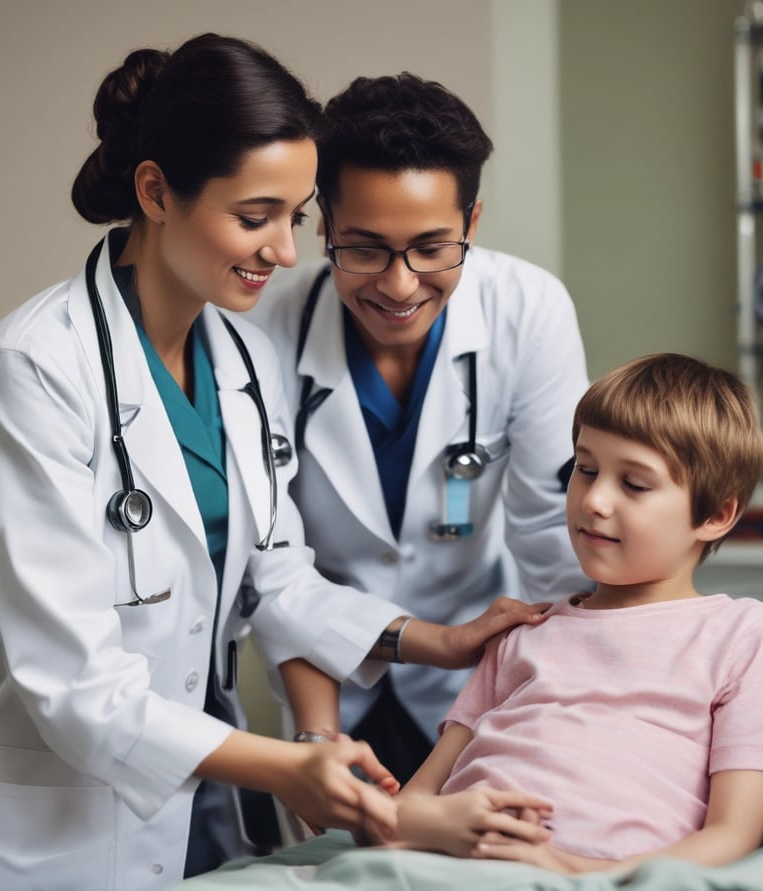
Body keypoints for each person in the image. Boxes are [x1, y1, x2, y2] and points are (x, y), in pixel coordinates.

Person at [0, 35, 545, 891]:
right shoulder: (38, 366)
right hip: (73, 823)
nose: (286, 254)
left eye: (294, 219)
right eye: (255, 217)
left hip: (209, 806)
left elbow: (278, 579)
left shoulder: (242, 357)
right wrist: (292, 766)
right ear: (155, 190)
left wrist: (439, 640)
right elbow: (73, 686)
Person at [250, 72, 591, 782]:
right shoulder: (260, 329)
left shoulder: (528, 311)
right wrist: (317, 743)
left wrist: (574, 705)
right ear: (323, 229)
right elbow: (271, 564)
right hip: (328, 676)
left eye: (432, 247)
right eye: (365, 248)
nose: (400, 286)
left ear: (471, 224)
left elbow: (556, 540)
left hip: (482, 677)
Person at [386, 353, 763, 873]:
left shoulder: (741, 637)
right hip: (454, 865)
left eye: (633, 484)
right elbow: (409, 806)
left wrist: (570, 870)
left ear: (716, 514)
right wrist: (441, 826)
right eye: (585, 470)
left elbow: (734, 834)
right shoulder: (525, 631)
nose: (595, 500)